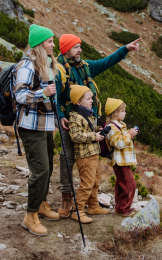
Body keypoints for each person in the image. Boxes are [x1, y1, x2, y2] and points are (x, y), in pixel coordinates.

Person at [55, 34, 141, 218]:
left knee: (92, 162)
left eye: (80, 46)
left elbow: (106, 62)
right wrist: (61, 115)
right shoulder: (59, 70)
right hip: (72, 123)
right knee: (67, 158)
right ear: (66, 49)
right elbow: (53, 97)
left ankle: (92, 203)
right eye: (76, 47)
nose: (80, 50)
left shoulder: (85, 67)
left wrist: (124, 49)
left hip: (90, 121)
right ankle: (66, 198)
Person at [12, 24, 60, 236]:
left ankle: (41, 203)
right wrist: (43, 93)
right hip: (30, 126)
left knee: (48, 166)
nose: (53, 44)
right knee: (40, 170)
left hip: (45, 125)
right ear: (40, 43)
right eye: (50, 41)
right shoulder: (27, 65)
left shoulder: (46, 64)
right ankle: (30, 216)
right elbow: (20, 96)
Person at [67, 85, 107, 224]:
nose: (92, 101)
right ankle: (77, 211)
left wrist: (99, 130)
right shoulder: (75, 117)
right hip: (85, 156)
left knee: (95, 182)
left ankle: (93, 206)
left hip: (93, 154)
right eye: (88, 98)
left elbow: (88, 129)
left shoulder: (86, 114)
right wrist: (93, 136)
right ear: (78, 102)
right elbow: (75, 136)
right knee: (87, 184)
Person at [104, 98, 138, 217]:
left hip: (123, 160)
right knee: (129, 184)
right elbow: (118, 143)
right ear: (115, 113)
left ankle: (120, 206)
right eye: (123, 111)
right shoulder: (111, 128)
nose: (125, 113)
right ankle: (123, 209)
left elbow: (121, 138)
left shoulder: (119, 125)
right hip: (120, 161)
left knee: (121, 183)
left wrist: (129, 132)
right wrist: (130, 134)